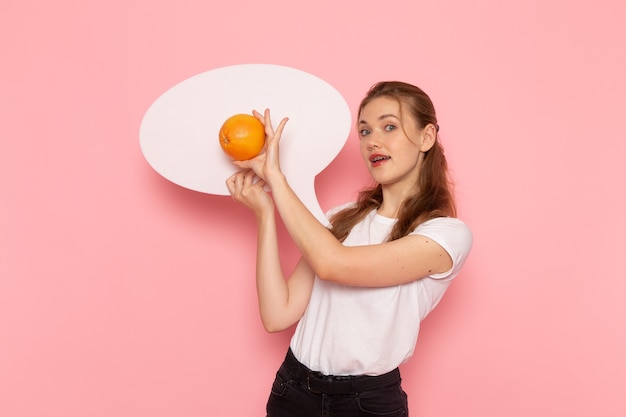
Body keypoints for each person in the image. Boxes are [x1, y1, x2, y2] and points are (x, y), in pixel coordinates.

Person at [226, 81, 473, 417]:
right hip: (293, 392)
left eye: (389, 126)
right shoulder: (340, 219)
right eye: (364, 131)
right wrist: (265, 215)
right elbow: (277, 314)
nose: (373, 140)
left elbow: (333, 264)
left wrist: (276, 177)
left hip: (366, 405)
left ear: (426, 137)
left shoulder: (445, 235)